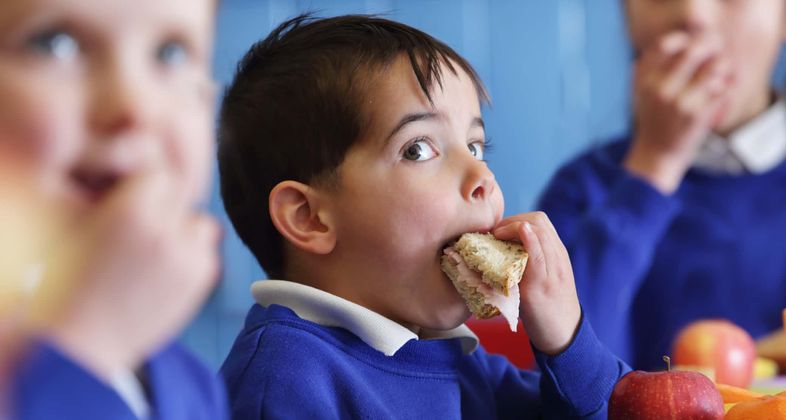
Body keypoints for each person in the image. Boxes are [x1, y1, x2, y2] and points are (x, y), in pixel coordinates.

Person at [217, 14, 630, 419]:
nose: (482, 176)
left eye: (475, 147)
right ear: (309, 218)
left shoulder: (458, 360)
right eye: (418, 149)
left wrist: (566, 341)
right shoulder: (281, 382)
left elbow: (621, 411)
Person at [537, 0, 786, 370]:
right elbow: (566, 381)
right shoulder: (584, 190)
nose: (693, 13)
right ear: (628, 17)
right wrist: (654, 166)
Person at [0, 0, 228, 418]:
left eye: (170, 53)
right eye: (55, 44)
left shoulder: (190, 380)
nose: (133, 107)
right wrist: (88, 345)